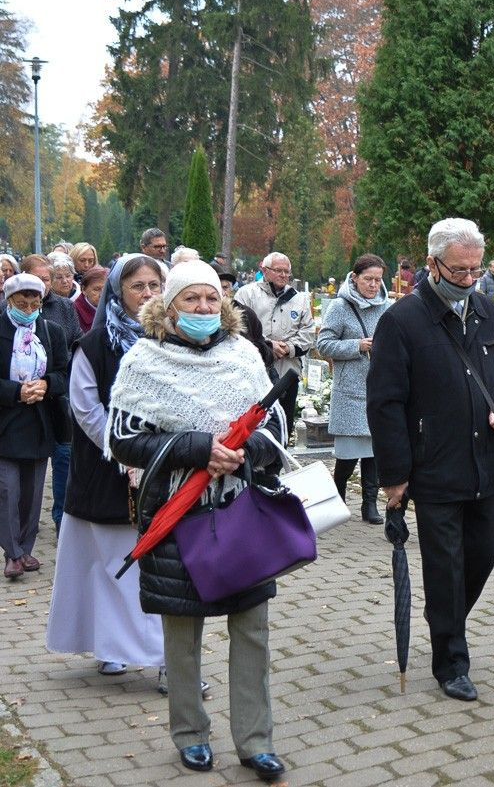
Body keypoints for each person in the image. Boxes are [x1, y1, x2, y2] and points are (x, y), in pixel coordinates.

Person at [107, 261, 287, 782]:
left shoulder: (244, 356)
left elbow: (274, 422)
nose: (205, 309)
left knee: (251, 628)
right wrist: (195, 448)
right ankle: (190, 735)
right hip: (178, 514)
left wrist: (243, 448)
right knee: (182, 630)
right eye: (192, 300)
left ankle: (256, 742)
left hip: (241, 510)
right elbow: (123, 438)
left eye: (212, 299)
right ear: (169, 306)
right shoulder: (144, 361)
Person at [368, 218, 494, 702]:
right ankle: (451, 660)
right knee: (444, 565)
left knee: (483, 552)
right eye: (459, 270)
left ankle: (447, 619)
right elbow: (386, 402)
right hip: (432, 465)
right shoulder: (402, 321)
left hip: (484, 461)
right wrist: (394, 477)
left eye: (476, 270)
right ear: (433, 264)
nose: (468, 279)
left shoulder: (489, 312)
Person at [46, 255, 166, 677]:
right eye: (138, 286)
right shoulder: (94, 344)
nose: (147, 294)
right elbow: (85, 407)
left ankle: (167, 658)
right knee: (109, 562)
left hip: (163, 469)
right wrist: (124, 453)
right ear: (119, 291)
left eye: (155, 285)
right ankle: (110, 644)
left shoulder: (172, 342)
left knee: (159, 569)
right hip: (106, 469)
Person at [0, 273, 68, 579]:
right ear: (9, 301)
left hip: (39, 421)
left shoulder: (50, 331)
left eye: (34, 303)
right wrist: (15, 391)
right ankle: (11, 553)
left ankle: (25, 550)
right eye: (21, 303)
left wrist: (46, 385)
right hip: (6, 421)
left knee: (32, 491)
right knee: (6, 489)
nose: (28, 309)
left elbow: (64, 373)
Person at [316, 254, 389, 525]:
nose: (372, 285)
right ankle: (338, 498)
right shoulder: (340, 307)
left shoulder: (386, 306)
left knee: (374, 453)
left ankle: (370, 505)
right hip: (350, 391)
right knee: (347, 456)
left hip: (378, 389)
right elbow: (323, 344)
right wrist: (357, 346)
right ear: (355, 277)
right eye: (368, 279)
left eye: (377, 280)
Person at [22, 254, 81, 534]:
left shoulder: (65, 307)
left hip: (58, 397)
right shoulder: (9, 310)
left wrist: (52, 377)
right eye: (38, 279)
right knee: (28, 467)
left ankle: (61, 519)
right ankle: (23, 523)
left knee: (63, 457)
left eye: (47, 279)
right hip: (23, 403)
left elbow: (75, 345)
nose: (43, 285)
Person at [234, 252, 315, 439]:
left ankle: (280, 462)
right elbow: (239, 328)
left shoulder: (299, 299)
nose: (284, 275)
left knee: (284, 423)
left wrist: (288, 348)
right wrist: (268, 345)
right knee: (254, 423)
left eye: (287, 272)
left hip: (287, 370)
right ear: (265, 270)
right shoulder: (246, 294)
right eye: (278, 270)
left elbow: (308, 332)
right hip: (254, 370)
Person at [211, 262, 273, 373]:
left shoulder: (246, 314)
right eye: (215, 287)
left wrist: (251, 350)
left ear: (230, 290)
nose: (221, 292)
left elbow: (266, 353)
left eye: (225, 287)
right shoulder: (201, 316)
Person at [74, 267, 109, 333]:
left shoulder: (116, 309)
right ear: (84, 290)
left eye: (106, 289)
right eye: (97, 289)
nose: (102, 295)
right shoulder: (73, 313)